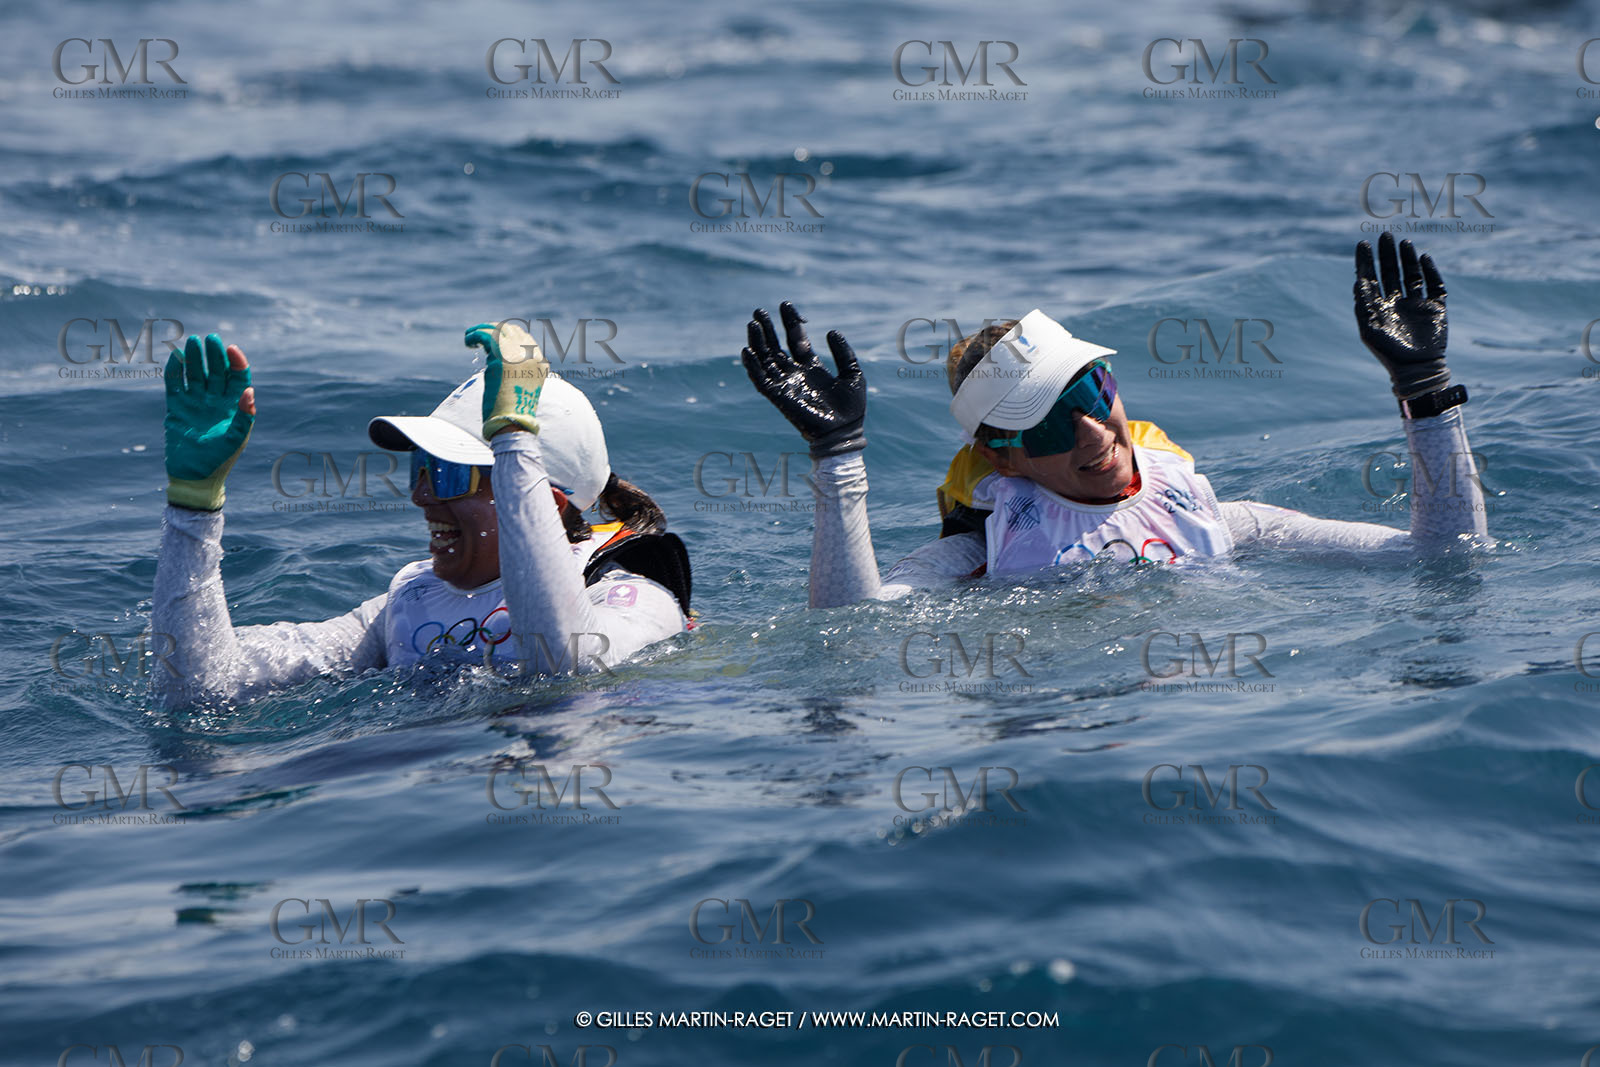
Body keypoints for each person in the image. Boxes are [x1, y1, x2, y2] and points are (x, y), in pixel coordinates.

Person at [740, 234, 1487, 608]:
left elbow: (1447, 554)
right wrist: (838, 454)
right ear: (1004, 459)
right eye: (1051, 423)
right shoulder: (977, 561)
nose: (1096, 432)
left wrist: (1424, 389)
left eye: (1092, 392)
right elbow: (850, 626)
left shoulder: (1220, 520)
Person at [150, 321, 691, 708]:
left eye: (451, 474)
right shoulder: (405, 604)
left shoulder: (634, 600)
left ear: (543, 503)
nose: (422, 497)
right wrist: (193, 508)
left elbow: (564, 674)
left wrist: (512, 444)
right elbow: (204, 690)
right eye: (422, 469)